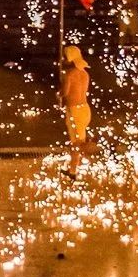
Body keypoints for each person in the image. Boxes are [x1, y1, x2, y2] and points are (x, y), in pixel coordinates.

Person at [60, 46, 92, 179]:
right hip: (85, 109)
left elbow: (65, 93)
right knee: (79, 141)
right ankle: (72, 168)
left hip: (74, 111)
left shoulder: (70, 74)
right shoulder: (85, 74)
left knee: (76, 143)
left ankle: (73, 171)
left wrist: (59, 92)